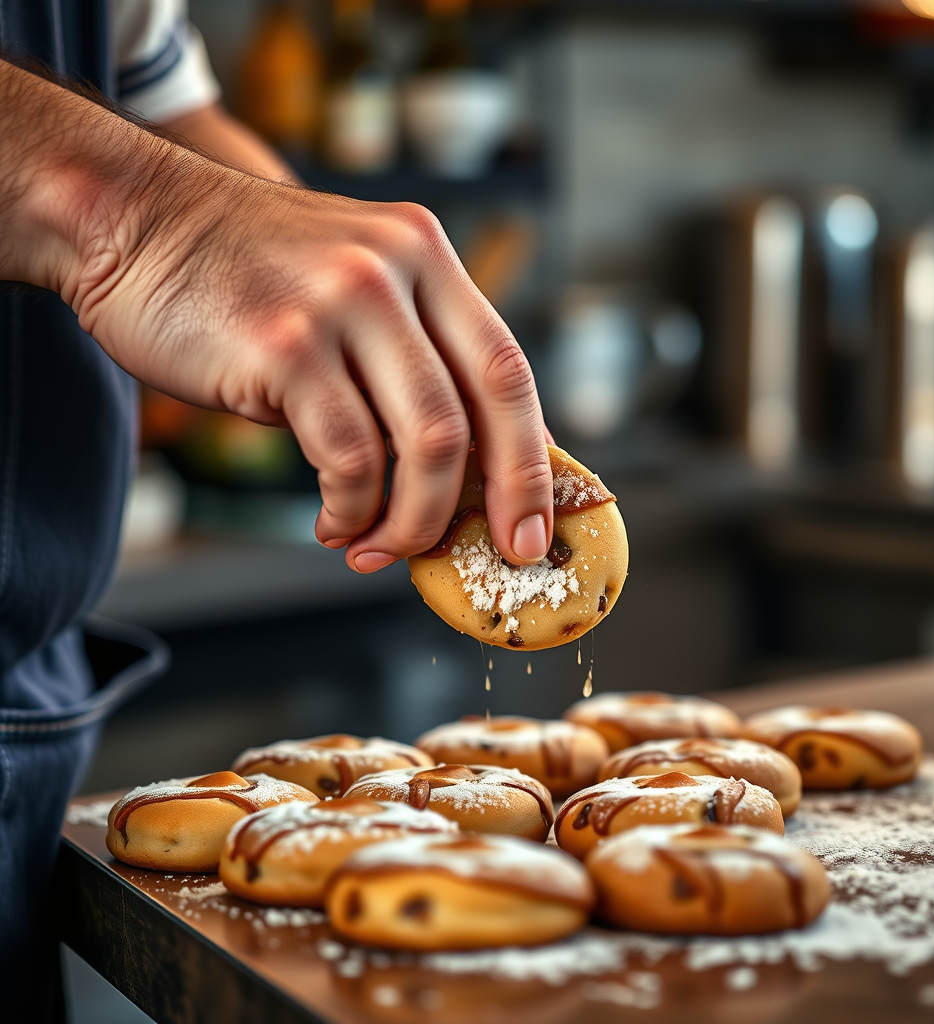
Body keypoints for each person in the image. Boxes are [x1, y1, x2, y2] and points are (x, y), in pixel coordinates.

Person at [0, 1, 553, 1017]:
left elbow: (157, 104)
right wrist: (128, 211)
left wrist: (347, 298)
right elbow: (127, 171)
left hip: (25, 728)